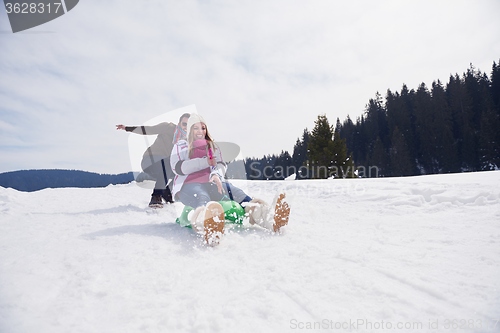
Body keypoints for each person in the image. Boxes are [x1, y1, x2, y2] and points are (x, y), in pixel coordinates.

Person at [170, 114, 284, 242]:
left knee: (234, 192)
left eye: (203, 128)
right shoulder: (181, 146)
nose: (200, 132)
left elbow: (220, 165)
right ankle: (206, 223)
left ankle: (262, 215)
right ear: (190, 130)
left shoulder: (212, 146)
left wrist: (215, 175)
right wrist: (205, 162)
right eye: (196, 128)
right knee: (201, 196)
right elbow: (178, 167)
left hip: (211, 182)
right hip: (189, 185)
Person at [116, 113, 190, 208]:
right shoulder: (168, 127)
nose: (186, 127)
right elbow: (148, 130)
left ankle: (166, 192)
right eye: (184, 124)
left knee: (184, 170)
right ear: (179, 123)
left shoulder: (186, 141)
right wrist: (127, 128)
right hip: (150, 161)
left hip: (165, 167)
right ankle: (156, 196)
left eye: (189, 125)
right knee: (168, 162)